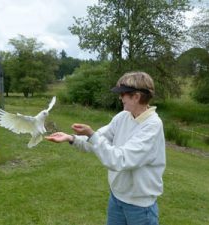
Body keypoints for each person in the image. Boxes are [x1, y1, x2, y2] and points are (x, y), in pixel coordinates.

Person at [45, 71, 166, 225]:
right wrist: (72, 138)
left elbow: (120, 160)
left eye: (123, 94)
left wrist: (91, 135)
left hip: (140, 208)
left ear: (136, 96)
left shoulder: (152, 125)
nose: (120, 97)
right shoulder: (122, 117)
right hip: (116, 198)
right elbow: (98, 139)